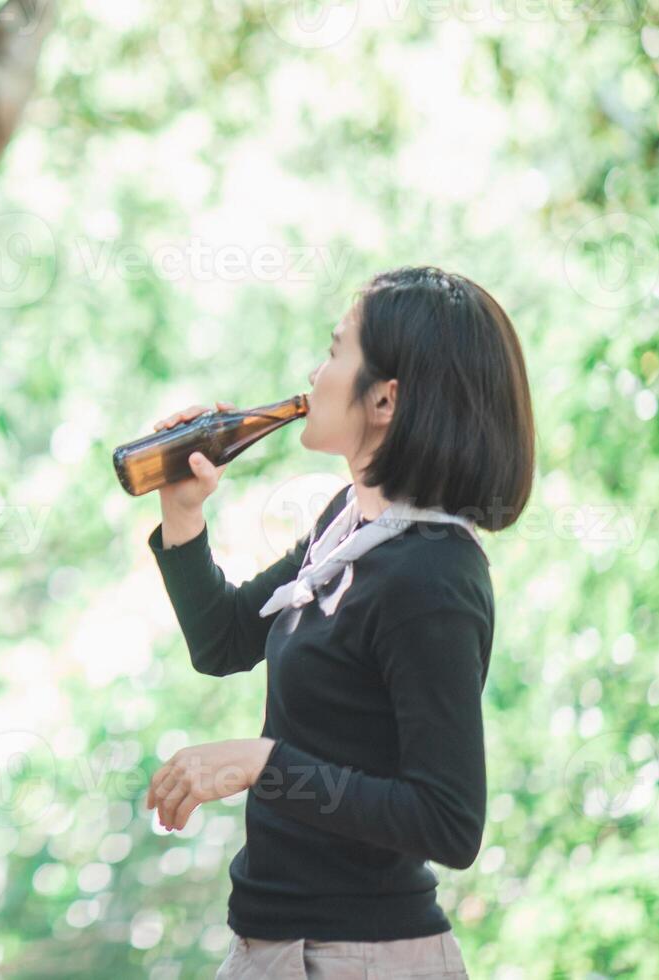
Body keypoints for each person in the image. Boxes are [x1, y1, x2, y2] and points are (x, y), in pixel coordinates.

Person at [142, 267, 534, 979]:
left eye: (333, 352)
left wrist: (262, 764)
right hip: (274, 944)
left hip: (358, 957)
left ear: (384, 397)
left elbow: (447, 821)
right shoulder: (347, 526)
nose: (315, 376)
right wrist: (183, 513)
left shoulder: (431, 576)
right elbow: (225, 639)